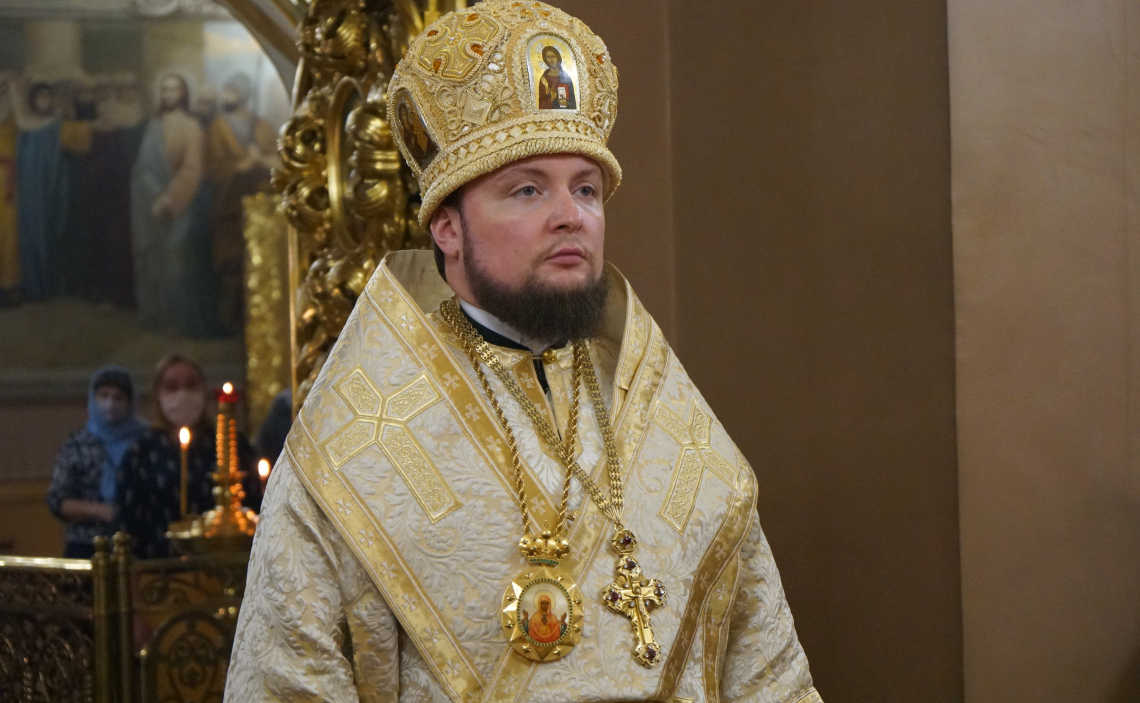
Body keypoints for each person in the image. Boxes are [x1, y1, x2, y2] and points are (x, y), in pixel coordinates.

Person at [226, 3, 823, 702]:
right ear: (447, 229)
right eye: (528, 189)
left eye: (587, 189)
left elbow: (770, 677)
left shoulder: (671, 425)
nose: (571, 215)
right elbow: (286, 684)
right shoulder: (349, 453)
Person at [113, 355, 262, 559]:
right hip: (159, 565)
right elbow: (126, 523)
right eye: (171, 387)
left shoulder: (232, 443)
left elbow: (256, 508)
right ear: (158, 394)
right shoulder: (141, 452)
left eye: (191, 385)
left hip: (224, 561)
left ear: (203, 391)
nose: (182, 394)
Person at [130, 73, 219, 337]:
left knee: (176, 260)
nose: (169, 95)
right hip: (149, 202)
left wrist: (169, 199)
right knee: (153, 259)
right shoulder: (153, 125)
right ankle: (158, 316)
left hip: (181, 204)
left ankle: (180, 321)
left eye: (174, 90)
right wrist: (154, 195)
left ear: (183, 94)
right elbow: (142, 168)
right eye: (165, 90)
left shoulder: (191, 126)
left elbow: (192, 169)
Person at [46, 366, 148, 559]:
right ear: (93, 398)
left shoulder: (145, 441)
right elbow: (57, 501)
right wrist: (102, 511)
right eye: (104, 395)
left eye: (118, 397)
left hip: (137, 545)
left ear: (130, 402)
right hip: (85, 546)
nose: (110, 403)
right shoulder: (78, 443)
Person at [205, 72, 276, 331]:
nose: (229, 95)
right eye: (227, 90)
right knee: (230, 264)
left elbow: (277, 161)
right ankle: (230, 319)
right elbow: (214, 167)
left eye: (234, 90)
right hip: (229, 206)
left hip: (259, 205)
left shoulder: (262, 125)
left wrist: (260, 161)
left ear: (245, 94)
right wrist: (238, 168)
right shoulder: (218, 127)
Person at [0, 73, 18, 305]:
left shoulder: (15, 113)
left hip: (8, 179)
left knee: (8, 232)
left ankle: (8, 285)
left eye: (4, 86)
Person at [537, 45, 576, 110]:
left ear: (558, 58)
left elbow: (573, 103)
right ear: (545, 59)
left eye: (553, 57)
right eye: (548, 57)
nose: (552, 60)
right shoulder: (544, 79)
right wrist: (552, 98)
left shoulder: (566, 78)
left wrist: (566, 103)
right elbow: (541, 103)